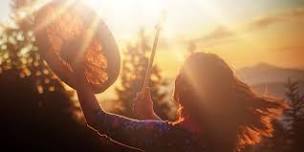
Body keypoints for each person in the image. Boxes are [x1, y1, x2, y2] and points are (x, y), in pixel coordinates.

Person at [72, 52, 285, 152]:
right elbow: (173, 140)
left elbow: (96, 118)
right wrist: (150, 117)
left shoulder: (167, 137)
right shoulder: (219, 139)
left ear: (182, 89)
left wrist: (78, 70)